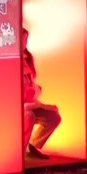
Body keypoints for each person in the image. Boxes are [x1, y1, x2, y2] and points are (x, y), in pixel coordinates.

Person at [21, 27, 61, 160]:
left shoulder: (28, 60)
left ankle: (33, 145)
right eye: (22, 39)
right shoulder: (11, 61)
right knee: (29, 115)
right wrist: (44, 106)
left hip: (29, 105)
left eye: (26, 40)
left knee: (53, 117)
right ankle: (19, 153)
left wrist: (42, 103)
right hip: (16, 109)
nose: (24, 43)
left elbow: (31, 93)